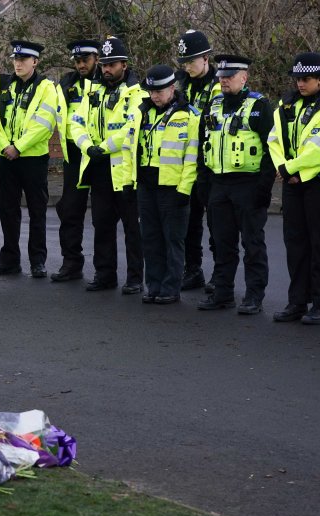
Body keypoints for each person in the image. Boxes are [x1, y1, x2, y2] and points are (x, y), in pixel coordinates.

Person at [197, 55, 275, 314]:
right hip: (219, 184)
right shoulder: (214, 105)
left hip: (248, 184)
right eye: (221, 77)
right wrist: (204, 184)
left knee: (252, 244)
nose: (223, 81)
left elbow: (271, 149)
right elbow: (203, 146)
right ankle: (222, 293)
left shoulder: (259, 106)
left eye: (229, 77)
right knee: (222, 243)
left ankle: (254, 296)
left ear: (244, 78)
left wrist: (264, 189)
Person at [70, 36, 145, 294]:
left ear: (124, 65)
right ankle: (105, 274)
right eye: (104, 64)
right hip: (98, 167)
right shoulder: (92, 90)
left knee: (132, 228)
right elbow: (75, 122)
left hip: (123, 169)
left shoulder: (137, 93)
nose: (106, 69)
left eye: (112, 65)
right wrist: (86, 146)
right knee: (102, 224)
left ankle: (135, 277)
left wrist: (103, 147)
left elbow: (131, 128)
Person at [129, 65, 200, 304]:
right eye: (151, 91)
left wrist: (185, 189)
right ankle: (154, 285)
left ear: (172, 87)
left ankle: (171, 287)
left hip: (173, 189)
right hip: (147, 187)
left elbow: (192, 157)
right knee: (150, 239)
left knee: (173, 240)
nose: (155, 95)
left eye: (159, 90)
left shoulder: (189, 115)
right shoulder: (143, 112)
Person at [0, 40, 59, 278]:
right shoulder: (5, 85)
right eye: (15, 60)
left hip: (33, 159)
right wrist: (4, 146)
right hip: (8, 157)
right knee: (8, 211)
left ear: (35, 62)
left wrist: (18, 146)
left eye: (23, 60)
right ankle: (9, 260)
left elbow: (45, 123)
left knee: (37, 212)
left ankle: (37, 261)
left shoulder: (46, 87)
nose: (17, 64)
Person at [268, 52, 320, 323]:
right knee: (295, 244)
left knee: (317, 243)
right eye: (298, 78)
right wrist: (284, 168)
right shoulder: (286, 105)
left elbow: (317, 148)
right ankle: (297, 301)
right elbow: (274, 140)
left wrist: (293, 169)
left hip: (314, 181)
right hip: (292, 181)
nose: (301, 83)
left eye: (307, 79)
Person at [52, 40, 101, 282]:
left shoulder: (106, 81)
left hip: (101, 154)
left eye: (86, 60)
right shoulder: (67, 83)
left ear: (97, 58)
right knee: (70, 209)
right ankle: (71, 262)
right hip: (74, 154)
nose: (81, 64)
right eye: (78, 61)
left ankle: (106, 270)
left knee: (105, 214)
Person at [176, 30, 220, 292]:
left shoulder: (219, 83)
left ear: (205, 58)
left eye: (192, 60)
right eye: (184, 61)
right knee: (189, 222)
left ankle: (219, 274)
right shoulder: (181, 80)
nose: (187, 66)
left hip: (211, 161)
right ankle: (192, 270)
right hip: (186, 161)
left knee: (217, 223)